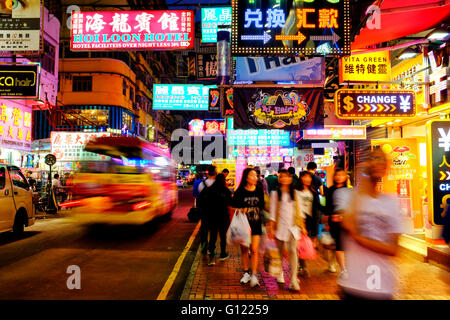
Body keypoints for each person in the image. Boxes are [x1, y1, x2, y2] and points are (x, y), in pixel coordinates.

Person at [338, 148, 404, 300]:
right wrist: (363, 177)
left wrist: (360, 238)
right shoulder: (352, 198)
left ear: (387, 168)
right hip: (354, 285)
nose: (377, 162)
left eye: (382, 159)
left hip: (383, 286)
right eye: (373, 158)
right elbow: (348, 225)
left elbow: (393, 249)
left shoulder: (391, 202)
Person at [267, 169, 306, 291]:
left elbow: (300, 211)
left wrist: (303, 226)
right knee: (279, 253)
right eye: (282, 177)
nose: (284, 179)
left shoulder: (295, 193)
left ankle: (293, 279)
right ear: (279, 179)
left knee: (293, 251)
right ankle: (281, 273)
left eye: (287, 177)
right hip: (280, 227)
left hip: (293, 227)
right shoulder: (275, 194)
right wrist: (272, 228)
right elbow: (273, 212)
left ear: (290, 179)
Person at [231, 167, 265, 288]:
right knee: (245, 249)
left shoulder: (259, 190)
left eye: (256, 175)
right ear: (246, 177)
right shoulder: (240, 191)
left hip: (256, 223)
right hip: (243, 225)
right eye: (252, 175)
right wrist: (241, 209)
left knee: (254, 250)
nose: (255, 178)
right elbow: (232, 207)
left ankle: (254, 274)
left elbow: (262, 206)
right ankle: (246, 273)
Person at [201, 173, 232, 265]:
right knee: (223, 236)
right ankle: (222, 253)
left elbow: (203, 201)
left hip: (212, 217)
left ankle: (211, 257)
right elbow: (230, 202)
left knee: (213, 236)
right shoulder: (226, 191)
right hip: (223, 217)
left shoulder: (209, 189)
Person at [324, 168, 349, 274]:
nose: (339, 177)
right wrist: (327, 222)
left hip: (347, 221)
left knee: (341, 245)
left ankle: (334, 262)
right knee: (338, 244)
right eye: (337, 175)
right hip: (334, 220)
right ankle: (341, 268)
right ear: (334, 177)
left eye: (341, 175)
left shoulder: (348, 190)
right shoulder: (330, 190)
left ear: (345, 177)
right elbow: (328, 206)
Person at [296, 171, 320, 278]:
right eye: (304, 177)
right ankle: (302, 266)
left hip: (310, 219)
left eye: (309, 177)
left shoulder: (313, 191)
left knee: (304, 244)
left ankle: (301, 265)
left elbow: (317, 207)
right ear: (301, 178)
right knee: (299, 244)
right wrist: (301, 224)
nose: (307, 179)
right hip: (299, 219)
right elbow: (296, 207)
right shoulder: (296, 191)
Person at [198, 166, 217, 254]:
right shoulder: (218, 184)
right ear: (215, 173)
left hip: (205, 210)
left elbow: (199, 194)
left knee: (204, 228)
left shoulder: (202, 184)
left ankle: (204, 245)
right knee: (214, 229)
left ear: (207, 173)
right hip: (215, 210)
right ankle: (212, 247)